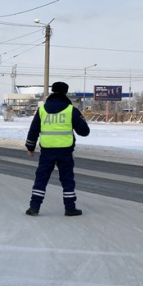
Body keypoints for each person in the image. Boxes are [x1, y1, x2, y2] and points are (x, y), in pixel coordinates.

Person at [25, 81, 90, 216]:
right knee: (67, 180)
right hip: (65, 151)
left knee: (41, 179)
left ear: (52, 92)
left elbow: (34, 130)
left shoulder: (42, 110)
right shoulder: (71, 110)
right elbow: (84, 131)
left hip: (47, 151)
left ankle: (34, 207)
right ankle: (70, 208)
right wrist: (80, 120)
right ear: (65, 93)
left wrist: (30, 147)